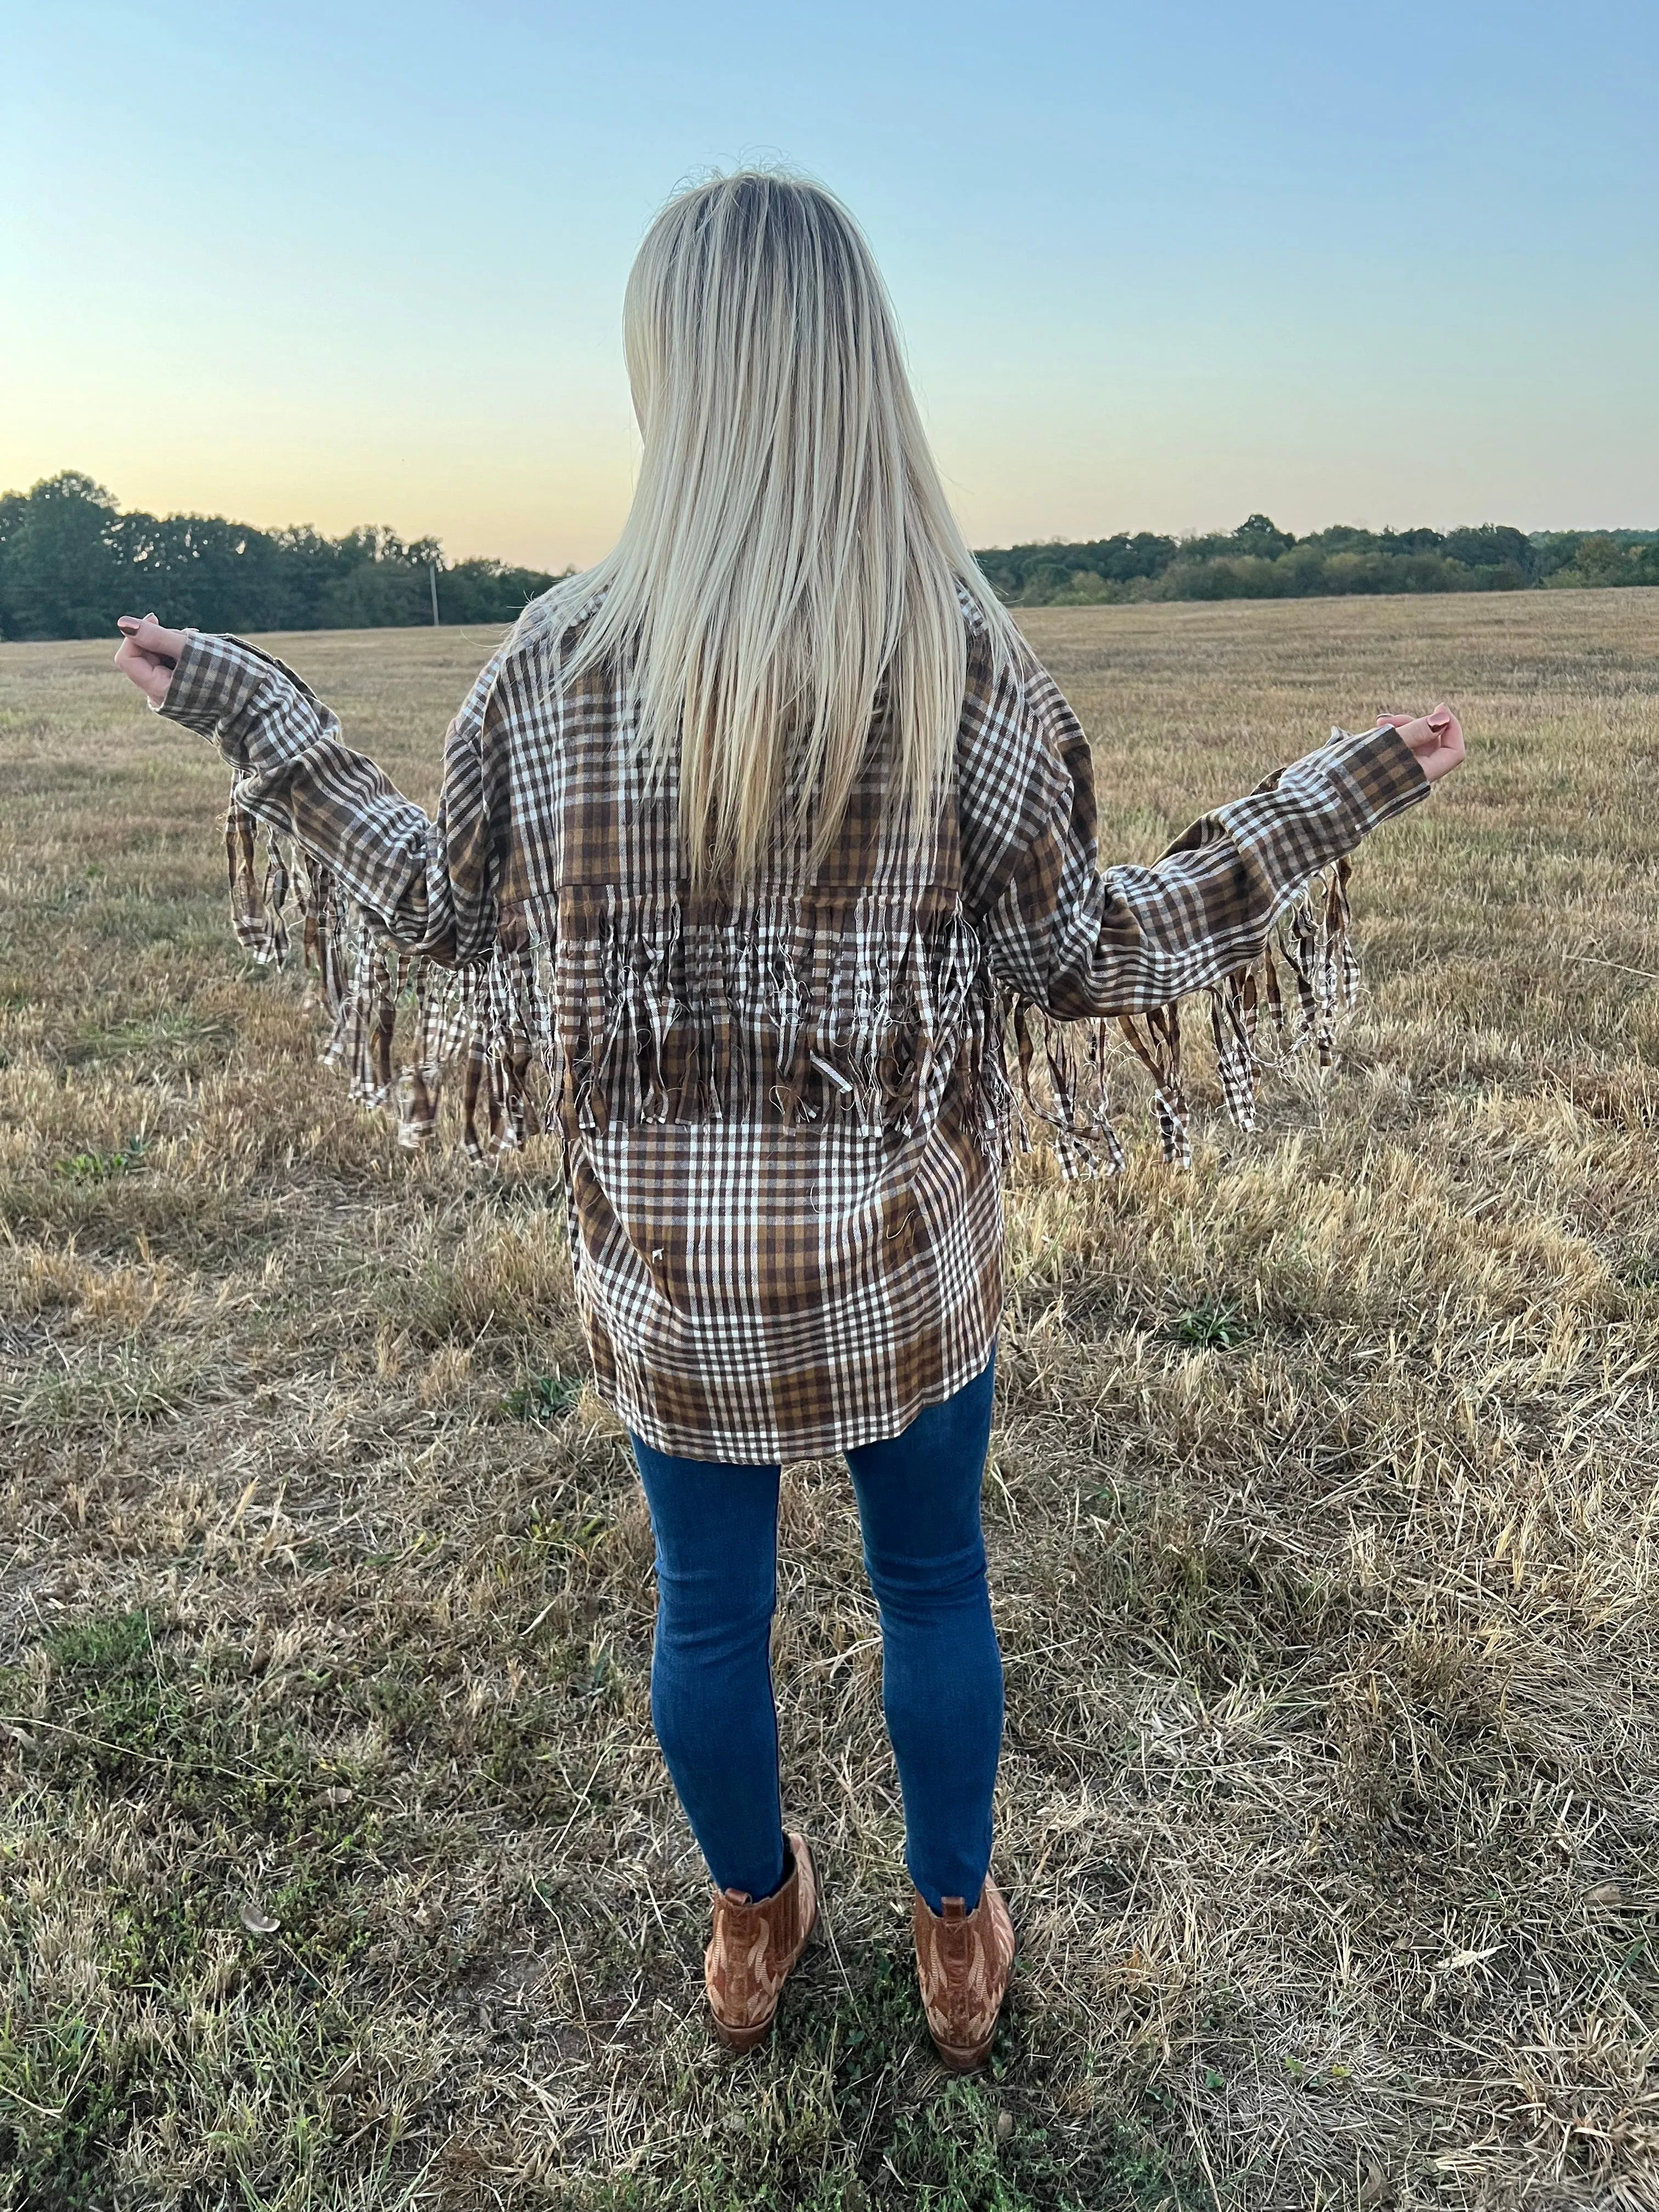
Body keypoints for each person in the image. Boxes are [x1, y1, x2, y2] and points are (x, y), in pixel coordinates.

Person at [114, 170, 1464, 2072]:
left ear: (673, 378)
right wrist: (1335, 802)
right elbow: (1089, 950)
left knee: (705, 1613)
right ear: (863, 375)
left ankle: (755, 1925)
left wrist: (252, 706)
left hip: (670, 1278)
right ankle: (953, 1941)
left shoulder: (554, 665)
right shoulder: (964, 665)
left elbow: (429, 901)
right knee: (932, 1589)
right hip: (903, 1271)